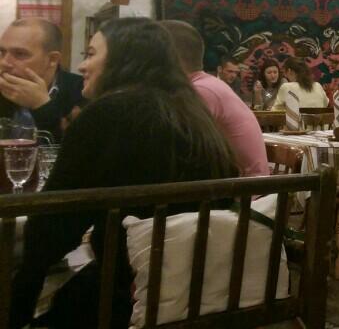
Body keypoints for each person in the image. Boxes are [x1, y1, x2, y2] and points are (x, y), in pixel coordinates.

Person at [11, 18, 237, 328]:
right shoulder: (191, 110)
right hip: (204, 289)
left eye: (91, 54)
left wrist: (17, 304)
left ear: (123, 59)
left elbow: (51, 231)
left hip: (130, 296)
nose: (82, 65)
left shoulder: (111, 113)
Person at [161, 20, 269, 177]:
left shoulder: (202, 91)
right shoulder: (205, 84)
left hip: (244, 188)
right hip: (232, 182)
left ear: (170, 56)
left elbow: (181, 150)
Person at [0, 18, 84, 142]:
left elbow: (77, 149)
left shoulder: (82, 91)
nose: (4, 62)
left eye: (20, 54)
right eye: (2, 52)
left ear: (52, 59)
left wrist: (42, 106)